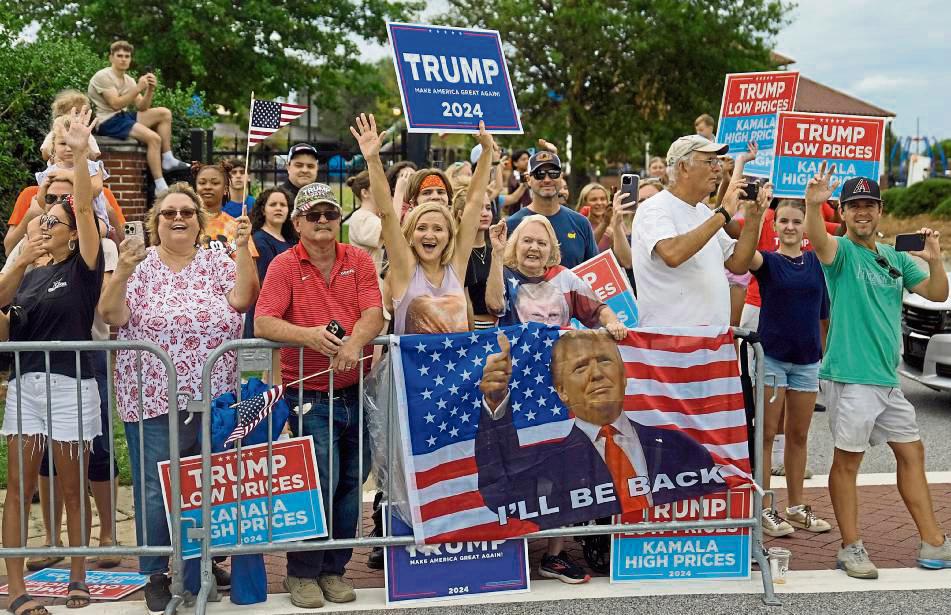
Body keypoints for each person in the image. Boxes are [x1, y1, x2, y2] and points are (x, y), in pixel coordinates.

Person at [98, 182, 257, 614]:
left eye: (187, 211)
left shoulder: (215, 261)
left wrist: (243, 247)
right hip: (150, 398)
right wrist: (125, 271)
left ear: (200, 221)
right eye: (169, 213)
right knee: (154, 488)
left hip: (214, 399)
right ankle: (156, 572)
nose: (179, 218)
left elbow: (244, 298)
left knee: (208, 482)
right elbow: (111, 315)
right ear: (156, 223)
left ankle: (204, 563)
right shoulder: (140, 263)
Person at [804, 167, 951, 578]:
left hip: (887, 379)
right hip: (850, 376)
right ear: (844, 212)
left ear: (880, 210)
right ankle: (851, 548)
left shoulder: (896, 257)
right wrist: (813, 204)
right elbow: (817, 238)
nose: (863, 212)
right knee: (848, 462)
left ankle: (933, 543)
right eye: (854, 206)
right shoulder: (841, 252)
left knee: (912, 452)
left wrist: (936, 261)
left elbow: (937, 293)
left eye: (869, 205)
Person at [254, 183, 384, 608]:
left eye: (330, 213)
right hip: (307, 394)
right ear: (297, 224)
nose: (324, 221)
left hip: (353, 390)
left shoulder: (359, 259)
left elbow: (373, 313)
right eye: (314, 216)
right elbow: (264, 322)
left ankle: (334, 569)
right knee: (318, 485)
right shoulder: (284, 265)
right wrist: (309, 336)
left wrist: (352, 345)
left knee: (349, 484)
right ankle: (302, 573)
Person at [1, 107, 104, 613]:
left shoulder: (84, 266)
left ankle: (78, 576)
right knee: (19, 488)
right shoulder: (27, 269)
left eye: (55, 219)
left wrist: (81, 153)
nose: (48, 221)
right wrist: (20, 255)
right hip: (25, 387)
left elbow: (85, 211)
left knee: (71, 486)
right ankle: (17, 586)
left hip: (72, 385)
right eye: (45, 216)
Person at [477, 330, 721, 529]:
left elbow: (714, 502)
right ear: (562, 391)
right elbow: (500, 492)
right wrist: (495, 404)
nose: (596, 374)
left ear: (624, 375)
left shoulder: (679, 447)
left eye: (604, 361)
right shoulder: (548, 465)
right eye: (580, 368)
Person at [352, 113, 494, 335]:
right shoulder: (404, 269)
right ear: (410, 234)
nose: (430, 235)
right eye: (422, 228)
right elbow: (387, 213)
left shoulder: (456, 265)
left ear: (449, 236)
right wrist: (372, 159)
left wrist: (487, 152)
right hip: (411, 370)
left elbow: (474, 201)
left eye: (438, 229)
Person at [740, 199, 832, 538]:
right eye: (784, 221)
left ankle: (796, 507)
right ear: (774, 225)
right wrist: (752, 216)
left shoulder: (816, 263)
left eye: (797, 221)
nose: (791, 226)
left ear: (805, 226)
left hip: (807, 362)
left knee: (798, 435)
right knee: (765, 435)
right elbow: (744, 255)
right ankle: (765, 509)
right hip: (773, 359)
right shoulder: (768, 261)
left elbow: (824, 315)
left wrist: (823, 354)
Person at [630, 135, 763, 327]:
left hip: (710, 342)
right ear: (684, 167)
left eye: (717, 161)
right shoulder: (654, 208)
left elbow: (738, 263)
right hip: (673, 344)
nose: (717, 168)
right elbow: (672, 253)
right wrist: (723, 214)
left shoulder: (702, 211)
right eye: (710, 161)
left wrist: (753, 219)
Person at [86, 40, 187, 194]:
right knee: (154, 139)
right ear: (111, 57)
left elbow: (142, 107)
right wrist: (138, 87)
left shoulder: (129, 80)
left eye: (127, 56)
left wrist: (150, 90)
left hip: (123, 116)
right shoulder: (103, 76)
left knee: (164, 113)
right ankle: (160, 186)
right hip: (107, 121)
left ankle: (167, 158)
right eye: (119, 55)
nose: (123, 59)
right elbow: (115, 104)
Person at [505, 152, 597, 269]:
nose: (547, 180)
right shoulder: (513, 224)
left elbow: (596, 271)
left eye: (553, 173)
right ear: (528, 179)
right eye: (540, 174)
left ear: (561, 177)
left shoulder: (581, 223)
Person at [245, 187, 297, 337]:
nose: (278, 208)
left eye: (283, 205)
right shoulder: (260, 240)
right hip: (266, 312)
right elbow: (265, 282)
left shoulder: (290, 240)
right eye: (273, 204)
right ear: (263, 210)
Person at [452, 187, 497, 330]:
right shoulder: (454, 253)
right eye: (478, 208)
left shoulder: (497, 251)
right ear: (460, 214)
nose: (485, 213)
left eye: (488, 208)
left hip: (500, 328)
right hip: (469, 330)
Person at [346, 171, 384, 277]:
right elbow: (390, 232)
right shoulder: (361, 217)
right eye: (378, 186)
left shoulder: (371, 217)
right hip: (368, 284)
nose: (384, 190)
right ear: (365, 193)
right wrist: (399, 194)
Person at [504, 148, 532, 214]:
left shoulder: (530, 174)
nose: (527, 161)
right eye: (523, 159)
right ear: (515, 163)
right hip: (518, 214)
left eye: (528, 159)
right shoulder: (514, 176)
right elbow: (517, 184)